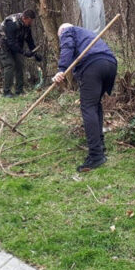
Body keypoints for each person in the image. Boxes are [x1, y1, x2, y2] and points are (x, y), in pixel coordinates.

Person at [52, 23, 118, 172]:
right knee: (95, 105)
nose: (61, 39)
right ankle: (99, 145)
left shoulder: (67, 31)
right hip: (110, 64)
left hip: (93, 66)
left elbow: (67, 47)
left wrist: (61, 69)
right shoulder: (86, 34)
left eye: (60, 37)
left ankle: (96, 155)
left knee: (88, 107)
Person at [0, 9, 42, 97]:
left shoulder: (27, 26)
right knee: (10, 64)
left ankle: (19, 90)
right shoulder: (12, 23)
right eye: (30, 21)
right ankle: (6, 92)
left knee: (19, 64)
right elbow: (11, 42)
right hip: (2, 43)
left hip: (13, 45)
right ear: (24, 18)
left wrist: (35, 53)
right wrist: (24, 52)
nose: (31, 23)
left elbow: (29, 40)